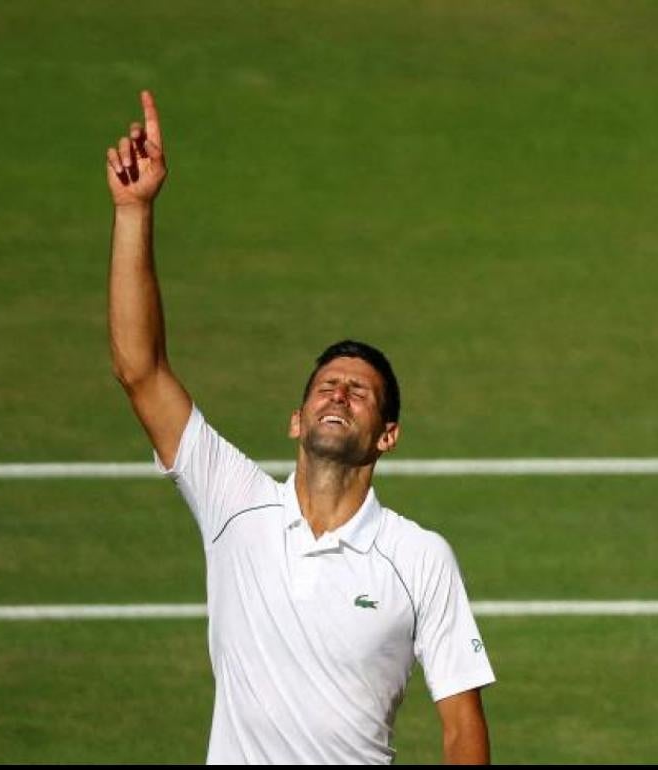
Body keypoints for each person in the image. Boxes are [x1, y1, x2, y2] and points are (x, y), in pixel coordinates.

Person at [105, 90, 495, 765]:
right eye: (325, 386)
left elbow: (463, 728)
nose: (338, 393)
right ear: (296, 418)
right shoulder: (234, 502)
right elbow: (142, 371)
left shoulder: (419, 558)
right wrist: (134, 212)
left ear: (387, 435)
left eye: (360, 392)